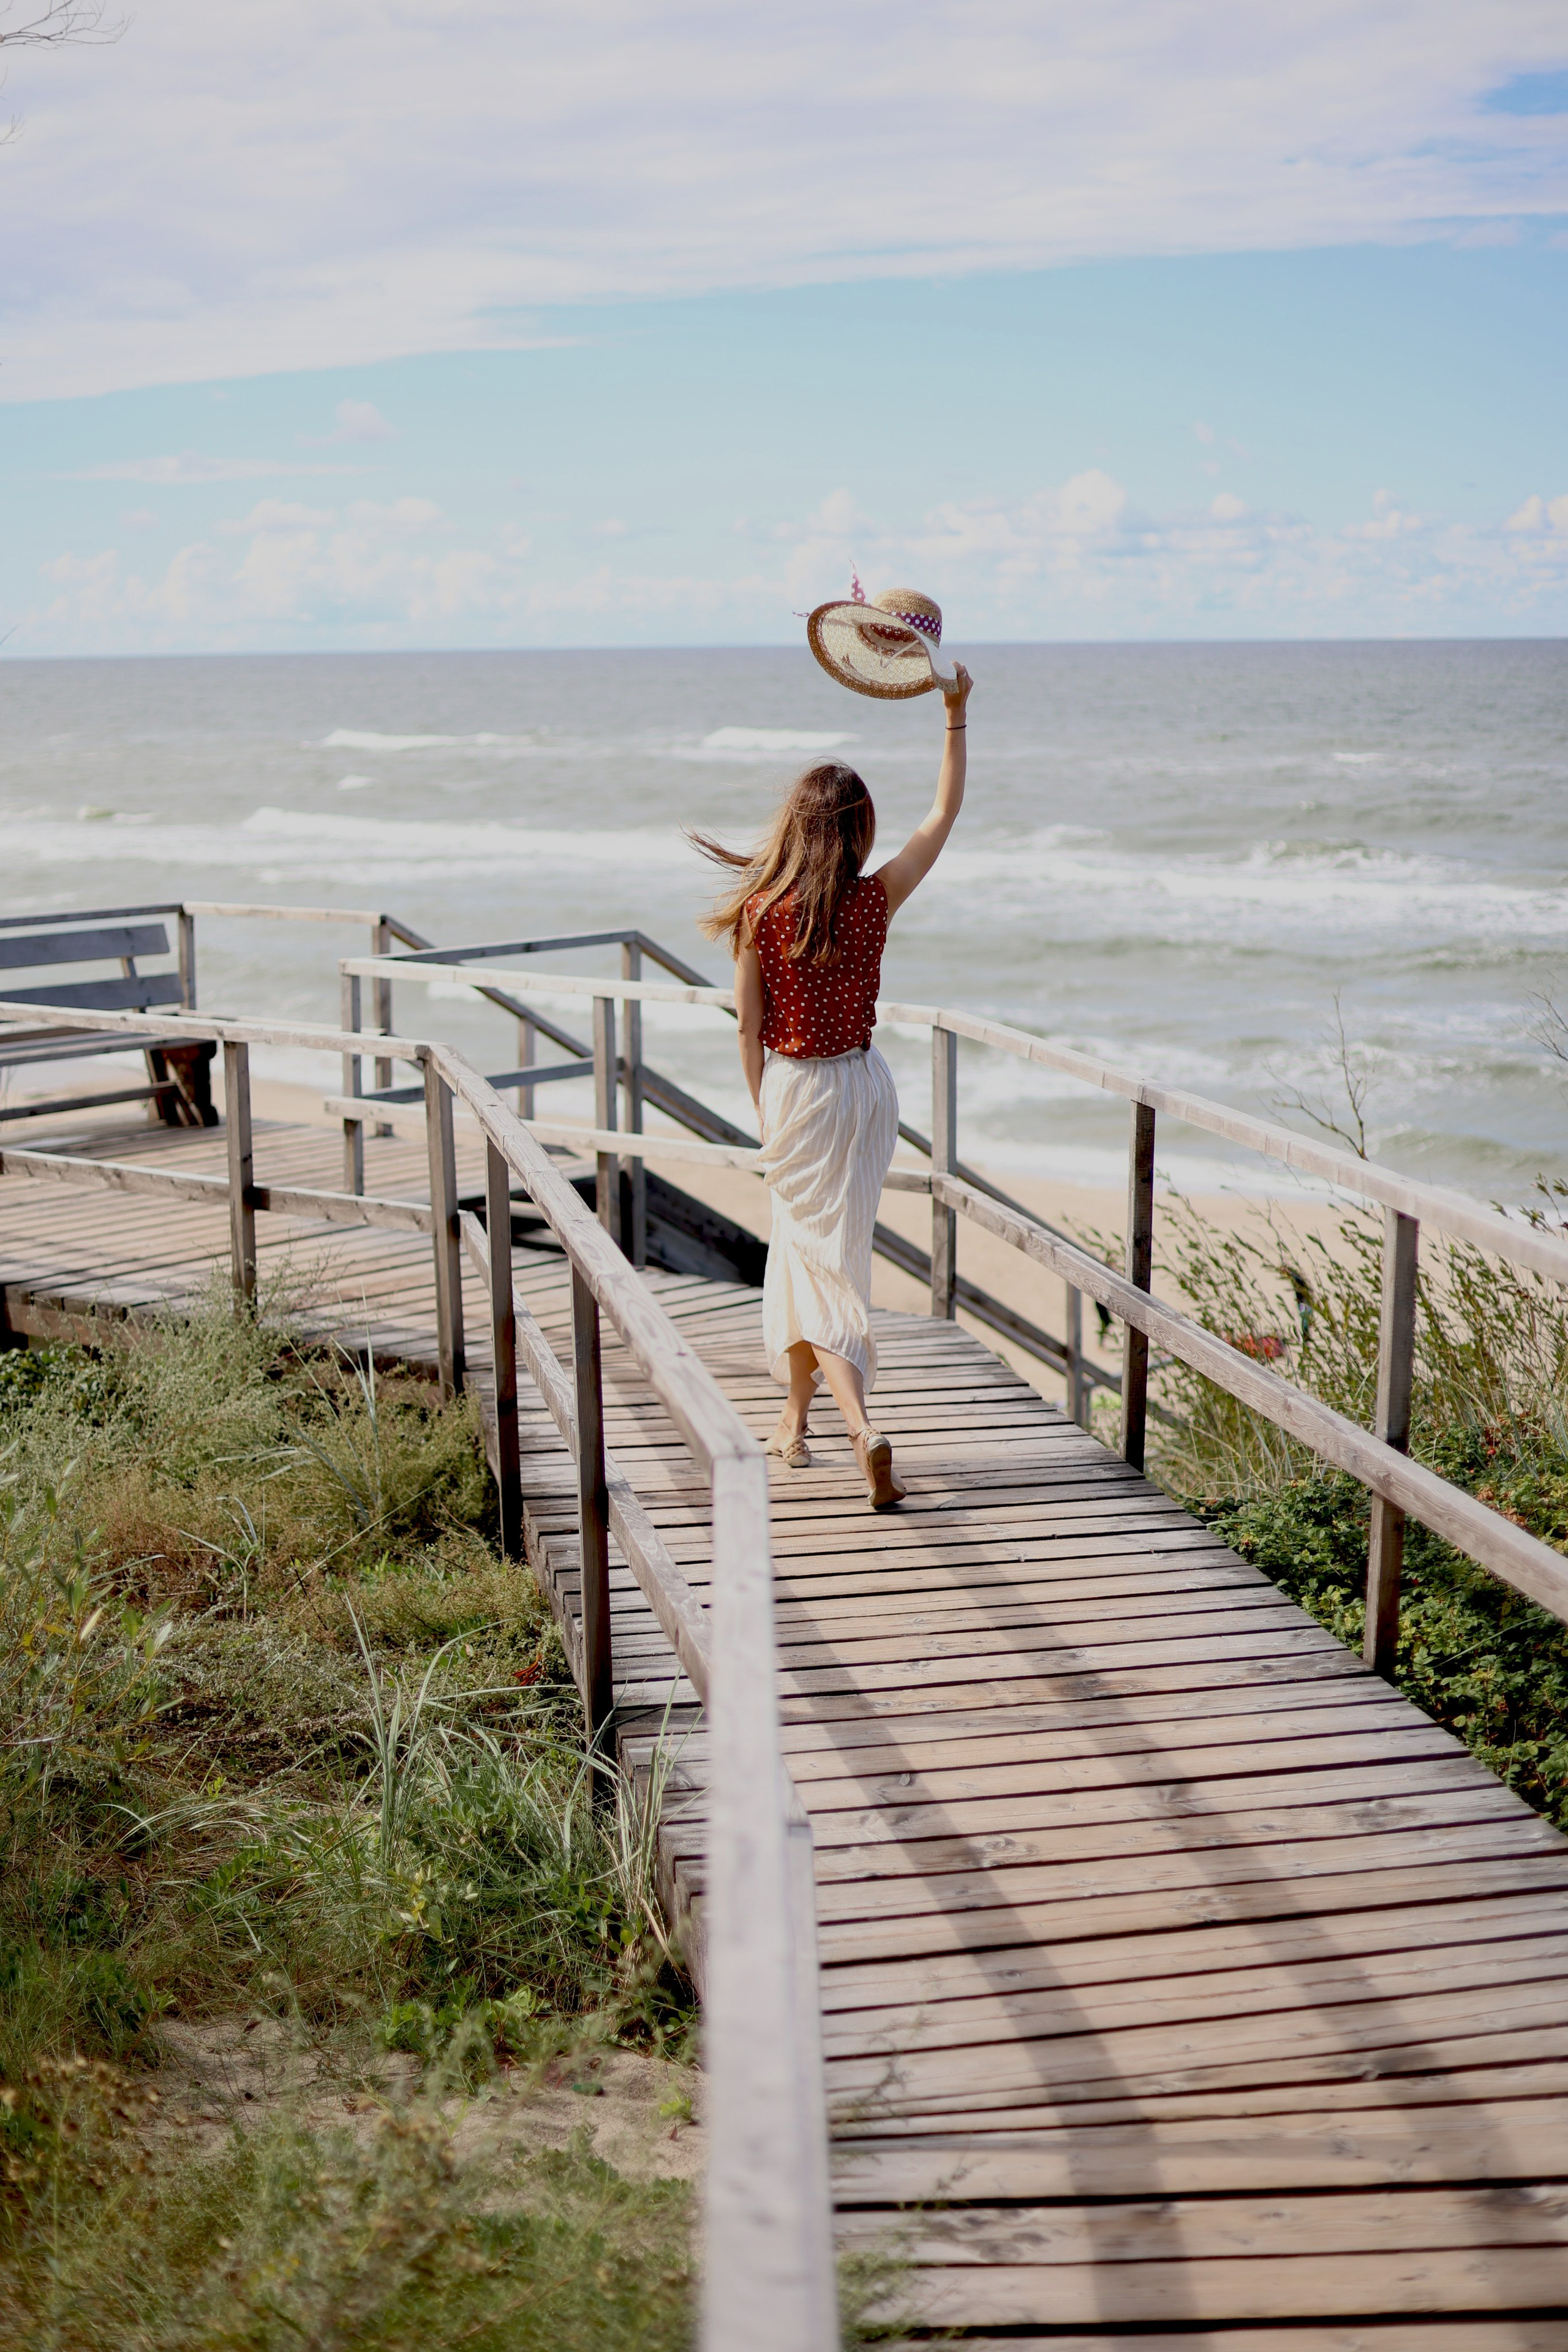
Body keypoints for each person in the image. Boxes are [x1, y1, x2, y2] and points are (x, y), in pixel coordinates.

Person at [691, 662, 974, 1507]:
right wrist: (955, 716)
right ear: (853, 833)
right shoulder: (873, 900)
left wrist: (761, 1109)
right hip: (867, 1089)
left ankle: (856, 1426)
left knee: (815, 1260)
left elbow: (747, 1028)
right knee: (823, 1255)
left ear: (795, 825)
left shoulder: (761, 914)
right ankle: (794, 1419)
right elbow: (943, 814)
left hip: (798, 1091)